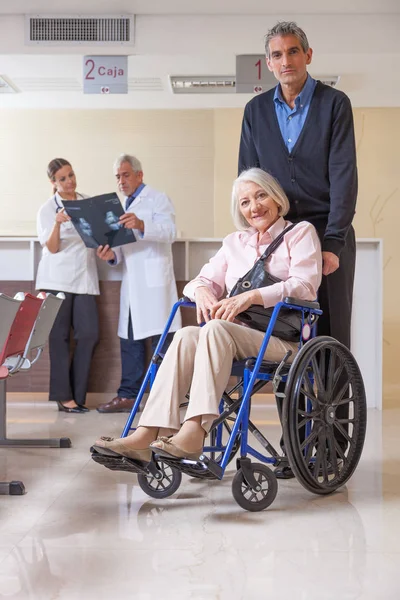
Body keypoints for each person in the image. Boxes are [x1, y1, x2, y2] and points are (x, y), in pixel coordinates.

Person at [92, 168, 322, 465]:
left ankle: (194, 431)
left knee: (215, 329)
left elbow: (305, 286)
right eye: (245, 202)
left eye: (261, 195)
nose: (254, 207)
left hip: (285, 341)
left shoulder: (300, 233)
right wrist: (200, 291)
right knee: (187, 334)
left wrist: (252, 296)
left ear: (276, 198)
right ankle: (148, 431)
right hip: (236, 337)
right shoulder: (234, 243)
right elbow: (199, 280)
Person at [238, 21, 357, 351]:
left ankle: (336, 405)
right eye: (277, 54)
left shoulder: (334, 104)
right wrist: (256, 241)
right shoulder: (255, 111)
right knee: (286, 334)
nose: (286, 61)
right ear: (269, 63)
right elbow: (248, 180)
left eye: (293, 51)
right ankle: (293, 405)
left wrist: (333, 242)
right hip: (279, 237)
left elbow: (344, 176)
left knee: (330, 336)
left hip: (325, 233)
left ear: (308, 55)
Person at [96, 154, 181, 414]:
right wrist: (111, 256)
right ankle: (128, 396)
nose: (121, 181)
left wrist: (143, 224)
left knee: (161, 342)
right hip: (133, 286)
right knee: (130, 340)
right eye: (118, 176)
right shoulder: (121, 206)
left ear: (139, 175)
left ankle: (163, 398)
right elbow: (122, 249)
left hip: (155, 286)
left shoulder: (157, 198)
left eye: (126, 175)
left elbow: (171, 232)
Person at [36, 158, 99, 413]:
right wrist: (58, 223)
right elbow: (51, 247)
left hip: (84, 278)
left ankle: (78, 394)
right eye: (62, 178)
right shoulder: (47, 209)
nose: (69, 181)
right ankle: (65, 397)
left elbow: (97, 236)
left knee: (89, 334)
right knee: (59, 337)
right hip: (56, 280)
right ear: (53, 183)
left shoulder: (88, 203)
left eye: (71, 175)